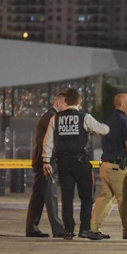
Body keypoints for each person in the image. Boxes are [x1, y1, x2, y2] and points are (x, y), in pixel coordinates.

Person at [42, 88, 109, 240]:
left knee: (67, 198)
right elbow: (103, 130)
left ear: (65, 102)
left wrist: (46, 160)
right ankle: (84, 229)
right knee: (86, 197)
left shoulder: (56, 118)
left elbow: (48, 141)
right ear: (79, 101)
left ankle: (68, 231)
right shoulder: (84, 117)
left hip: (63, 163)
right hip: (81, 163)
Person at [90, 93, 127, 240]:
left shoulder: (108, 120)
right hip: (120, 168)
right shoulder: (126, 122)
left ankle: (93, 228)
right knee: (126, 200)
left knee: (105, 197)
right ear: (122, 104)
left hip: (105, 166)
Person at [25, 93, 66, 238]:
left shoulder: (49, 116)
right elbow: (50, 142)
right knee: (50, 194)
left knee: (39, 196)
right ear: (59, 104)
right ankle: (58, 229)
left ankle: (31, 228)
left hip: (42, 161)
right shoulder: (51, 118)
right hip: (46, 162)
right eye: (66, 106)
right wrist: (47, 161)